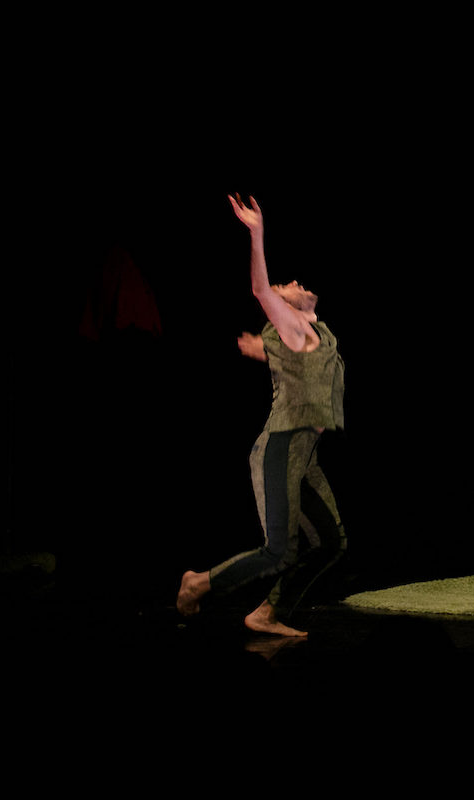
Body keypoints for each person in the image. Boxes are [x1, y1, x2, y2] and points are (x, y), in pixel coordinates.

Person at [176, 194, 347, 637]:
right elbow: (260, 289)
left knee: (331, 543)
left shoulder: (315, 333)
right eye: (287, 286)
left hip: (304, 453)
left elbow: (298, 365)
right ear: (282, 307)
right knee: (278, 550)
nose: (294, 282)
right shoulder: (292, 327)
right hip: (281, 444)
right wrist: (257, 233)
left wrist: (264, 350)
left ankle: (268, 612)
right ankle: (199, 582)